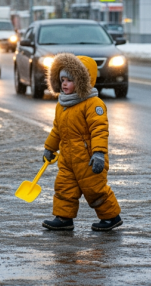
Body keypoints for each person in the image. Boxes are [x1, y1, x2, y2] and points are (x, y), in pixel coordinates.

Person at [41, 53, 123, 231]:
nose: (64, 84)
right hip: (68, 158)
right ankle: (63, 218)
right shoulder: (62, 104)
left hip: (88, 158)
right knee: (64, 187)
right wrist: (49, 148)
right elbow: (57, 129)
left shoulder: (93, 104)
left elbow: (99, 130)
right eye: (62, 79)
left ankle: (111, 217)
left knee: (95, 189)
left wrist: (99, 153)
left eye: (69, 80)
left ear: (83, 81)